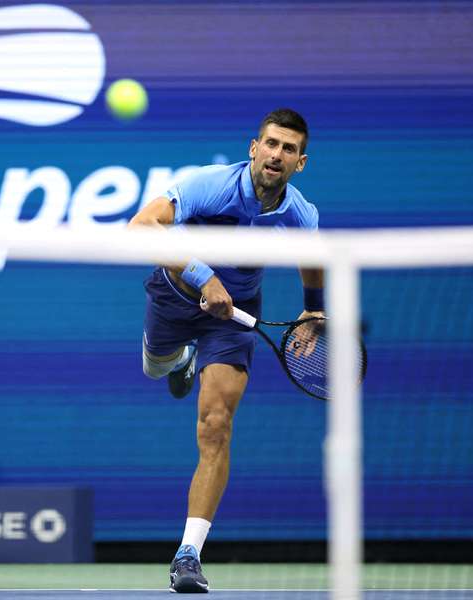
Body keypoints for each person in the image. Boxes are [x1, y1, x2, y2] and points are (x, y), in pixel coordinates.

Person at [127, 108, 324, 594]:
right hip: (175, 300)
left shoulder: (300, 214)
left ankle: (188, 554)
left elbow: (313, 260)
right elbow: (140, 225)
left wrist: (313, 312)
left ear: (301, 162)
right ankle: (178, 362)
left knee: (216, 424)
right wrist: (203, 276)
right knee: (156, 369)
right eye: (271, 144)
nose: (277, 155)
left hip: (234, 319)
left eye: (289, 149)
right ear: (253, 148)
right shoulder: (211, 185)